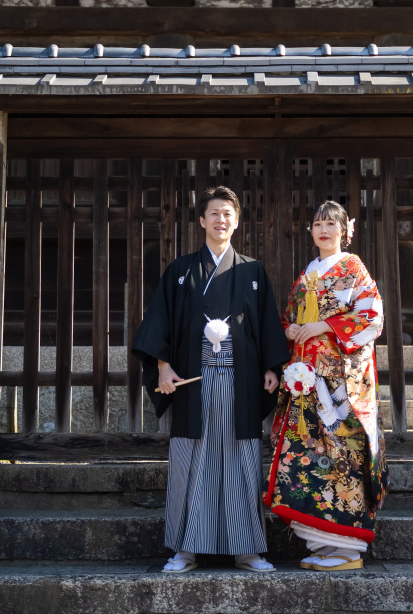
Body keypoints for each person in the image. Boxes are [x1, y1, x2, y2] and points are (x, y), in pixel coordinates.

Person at [132, 184, 289, 574]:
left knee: (241, 461)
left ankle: (247, 549)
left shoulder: (252, 271)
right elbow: (160, 323)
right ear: (202, 220)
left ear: (237, 223)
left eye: (228, 214)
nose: (221, 220)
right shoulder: (181, 271)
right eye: (214, 213)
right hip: (193, 382)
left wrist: (272, 367)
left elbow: (267, 325)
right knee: (192, 460)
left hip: (240, 383)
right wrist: (163, 366)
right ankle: (185, 549)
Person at [265, 200, 387, 571]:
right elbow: (290, 315)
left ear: (344, 231)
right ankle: (321, 541)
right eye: (317, 223)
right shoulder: (307, 274)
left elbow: (371, 316)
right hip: (305, 378)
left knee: (339, 455)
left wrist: (324, 327)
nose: (323, 229)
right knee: (306, 454)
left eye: (331, 224)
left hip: (337, 384)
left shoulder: (353, 267)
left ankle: (348, 549)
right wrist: (290, 329)